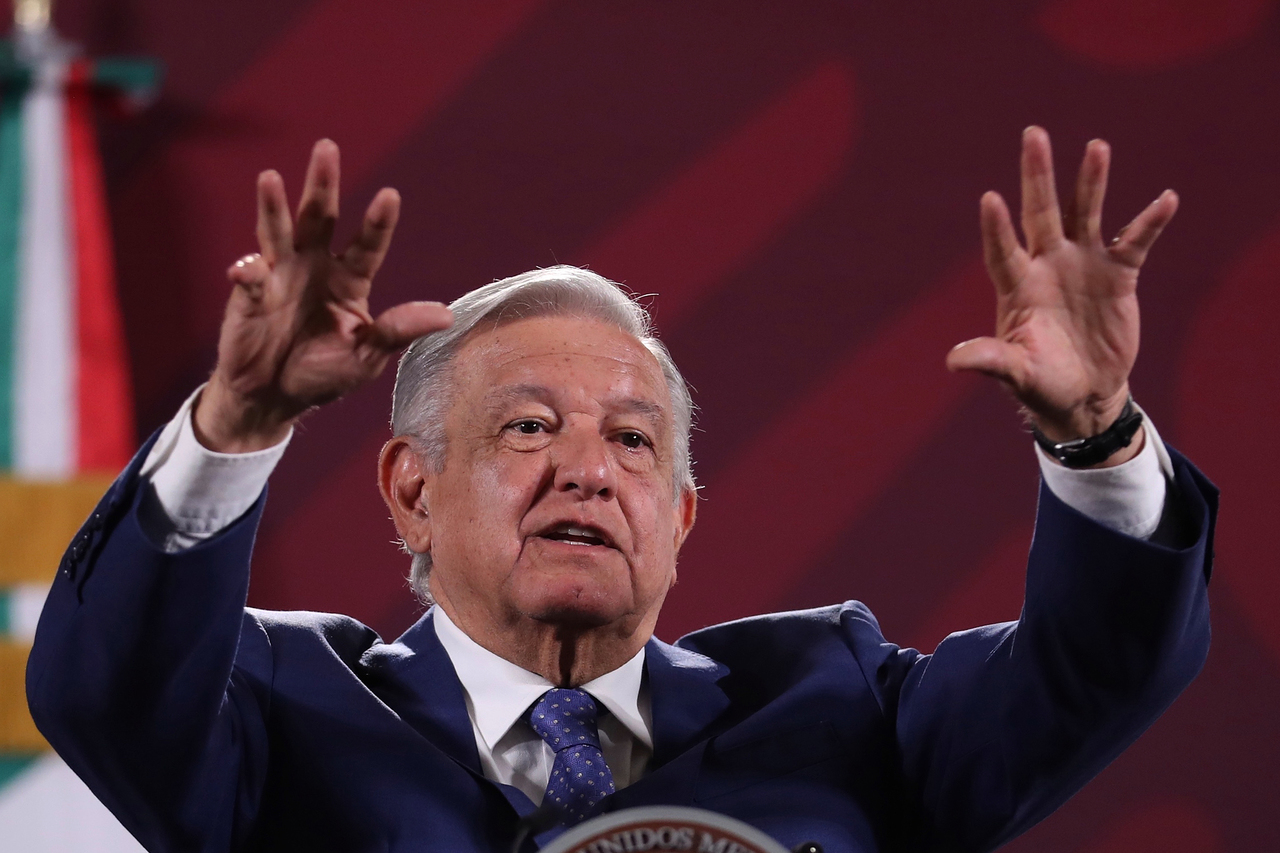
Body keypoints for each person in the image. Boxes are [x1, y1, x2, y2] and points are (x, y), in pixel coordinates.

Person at [26, 128, 1215, 853]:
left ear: (678, 517)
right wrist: (234, 425)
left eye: (635, 442)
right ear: (410, 490)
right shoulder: (278, 708)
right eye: (528, 426)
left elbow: (1092, 669)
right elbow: (104, 688)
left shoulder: (840, 701)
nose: (589, 468)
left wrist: (1094, 434)